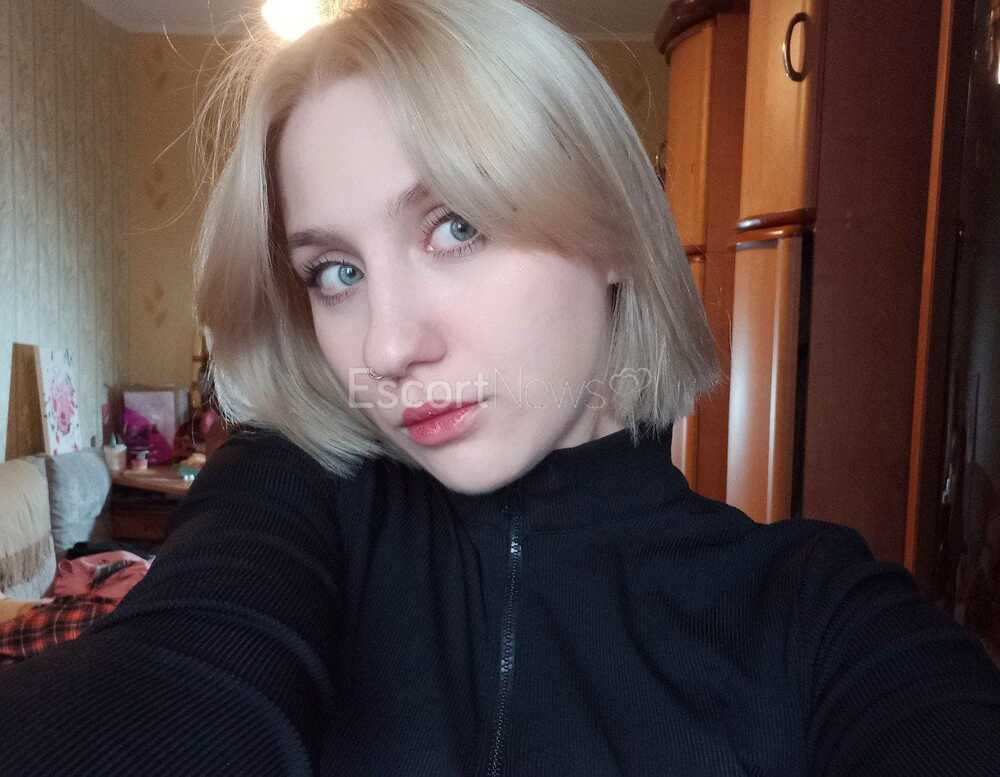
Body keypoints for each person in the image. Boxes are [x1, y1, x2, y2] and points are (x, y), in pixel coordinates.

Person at [3, 1, 1000, 774]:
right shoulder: (296, 495)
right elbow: (178, 686)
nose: (388, 344)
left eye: (457, 225)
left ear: (613, 229)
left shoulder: (815, 615)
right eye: (336, 272)